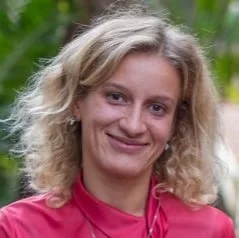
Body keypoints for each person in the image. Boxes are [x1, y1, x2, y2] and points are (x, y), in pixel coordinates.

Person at [0, 4, 236, 238]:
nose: (133, 126)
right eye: (116, 97)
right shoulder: (17, 229)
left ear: (176, 123)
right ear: (76, 101)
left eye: (157, 108)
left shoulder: (209, 230)